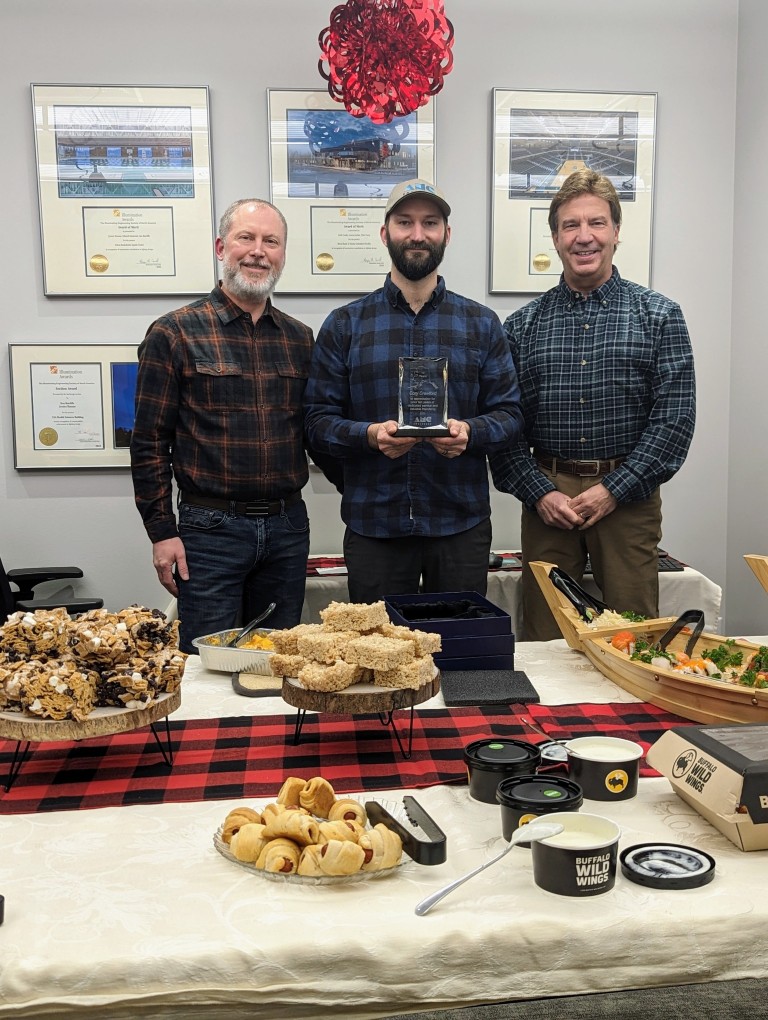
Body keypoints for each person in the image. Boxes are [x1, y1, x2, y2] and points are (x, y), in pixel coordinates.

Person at [489, 169, 696, 640]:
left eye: (597, 223)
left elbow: (674, 422)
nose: (584, 237)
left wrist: (613, 490)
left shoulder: (659, 316)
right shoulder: (521, 326)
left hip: (629, 496)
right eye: (570, 225)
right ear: (555, 237)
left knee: (634, 636)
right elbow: (504, 427)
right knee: (546, 634)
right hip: (547, 497)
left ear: (617, 232)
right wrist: (540, 493)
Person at [304, 178, 524, 603]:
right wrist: (368, 437)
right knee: (377, 657)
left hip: (460, 523)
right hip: (375, 526)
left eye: (430, 222)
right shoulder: (345, 325)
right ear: (385, 233)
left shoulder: (481, 323)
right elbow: (315, 423)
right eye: (405, 222)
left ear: (447, 234)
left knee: (460, 655)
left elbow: (510, 415)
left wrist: (470, 433)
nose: (418, 234)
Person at [131, 198, 314, 653]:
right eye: (245, 238)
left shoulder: (300, 338)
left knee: (278, 664)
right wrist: (161, 531)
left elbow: (317, 428)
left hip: (287, 526)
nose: (257, 251)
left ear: (283, 254)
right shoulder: (174, 333)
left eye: (271, 241)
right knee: (205, 663)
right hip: (209, 530)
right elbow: (149, 441)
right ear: (220, 246)